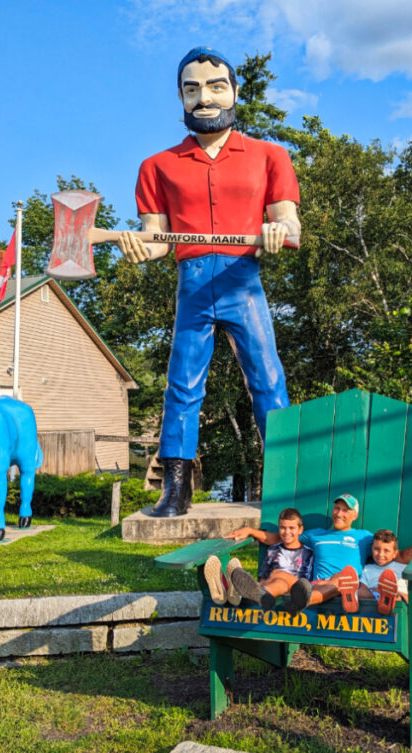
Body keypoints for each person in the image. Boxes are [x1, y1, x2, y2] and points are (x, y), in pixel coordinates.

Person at [117, 46, 301, 519]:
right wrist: (142, 247)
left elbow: (290, 224)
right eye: (192, 88)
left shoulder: (269, 156)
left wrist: (278, 232)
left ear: (234, 92)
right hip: (193, 280)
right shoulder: (156, 166)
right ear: (180, 97)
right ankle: (175, 489)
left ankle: (288, 483)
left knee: (267, 377)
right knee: (182, 383)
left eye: (216, 86)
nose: (204, 97)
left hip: (244, 279)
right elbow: (157, 238)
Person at [227, 494, 372, 614]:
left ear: (355, 515)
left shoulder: (364, 537)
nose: (339, 513)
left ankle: (304, 601)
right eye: (337, 508)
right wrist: (251, 531)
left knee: (341, 577)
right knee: (280, 574)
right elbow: (282, 537)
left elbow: (390, 552)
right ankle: (260, 593)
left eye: (345, 510)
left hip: (348, 588)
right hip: (315, 585)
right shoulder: (317, 535)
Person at [207, 507, 314, 612]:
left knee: (280, 578)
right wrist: (249, 530)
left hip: (296, 591)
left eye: (291, 528)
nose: (286, 532)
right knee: (272, 581)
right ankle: (231, 589)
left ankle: (233, 588)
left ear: (300, 529)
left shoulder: (308, 553)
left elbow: (305, 581)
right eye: (282, 527)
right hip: (269, 589)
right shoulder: (273, 549)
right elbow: (264, 577)